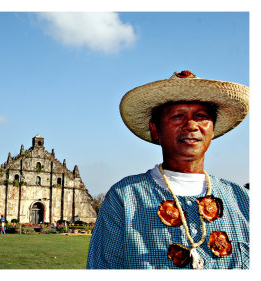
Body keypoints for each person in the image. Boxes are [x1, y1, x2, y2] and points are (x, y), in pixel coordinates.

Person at [86, 70, 249, 269]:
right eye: (178, 116)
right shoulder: (125, 198)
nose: (191, 125)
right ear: (156, 130)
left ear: (212, 129)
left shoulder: (242, 199)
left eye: (201, 116)